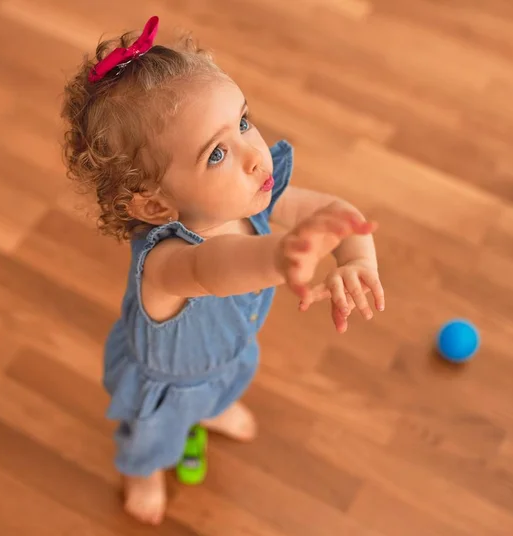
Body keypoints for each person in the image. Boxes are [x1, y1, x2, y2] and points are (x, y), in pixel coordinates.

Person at [61, 15, 385, 525]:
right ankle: (142, 471)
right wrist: (281, 257)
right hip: (165, 389)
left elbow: (336, 213)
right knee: (154, 441)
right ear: (155, 206)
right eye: (217, 153)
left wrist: (356, 260)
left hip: (228, 355)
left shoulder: (253, 194)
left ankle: (211, 410)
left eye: (243, 121)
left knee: (228, 385)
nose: (255, 156)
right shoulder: (168, 262)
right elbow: (216, 267)